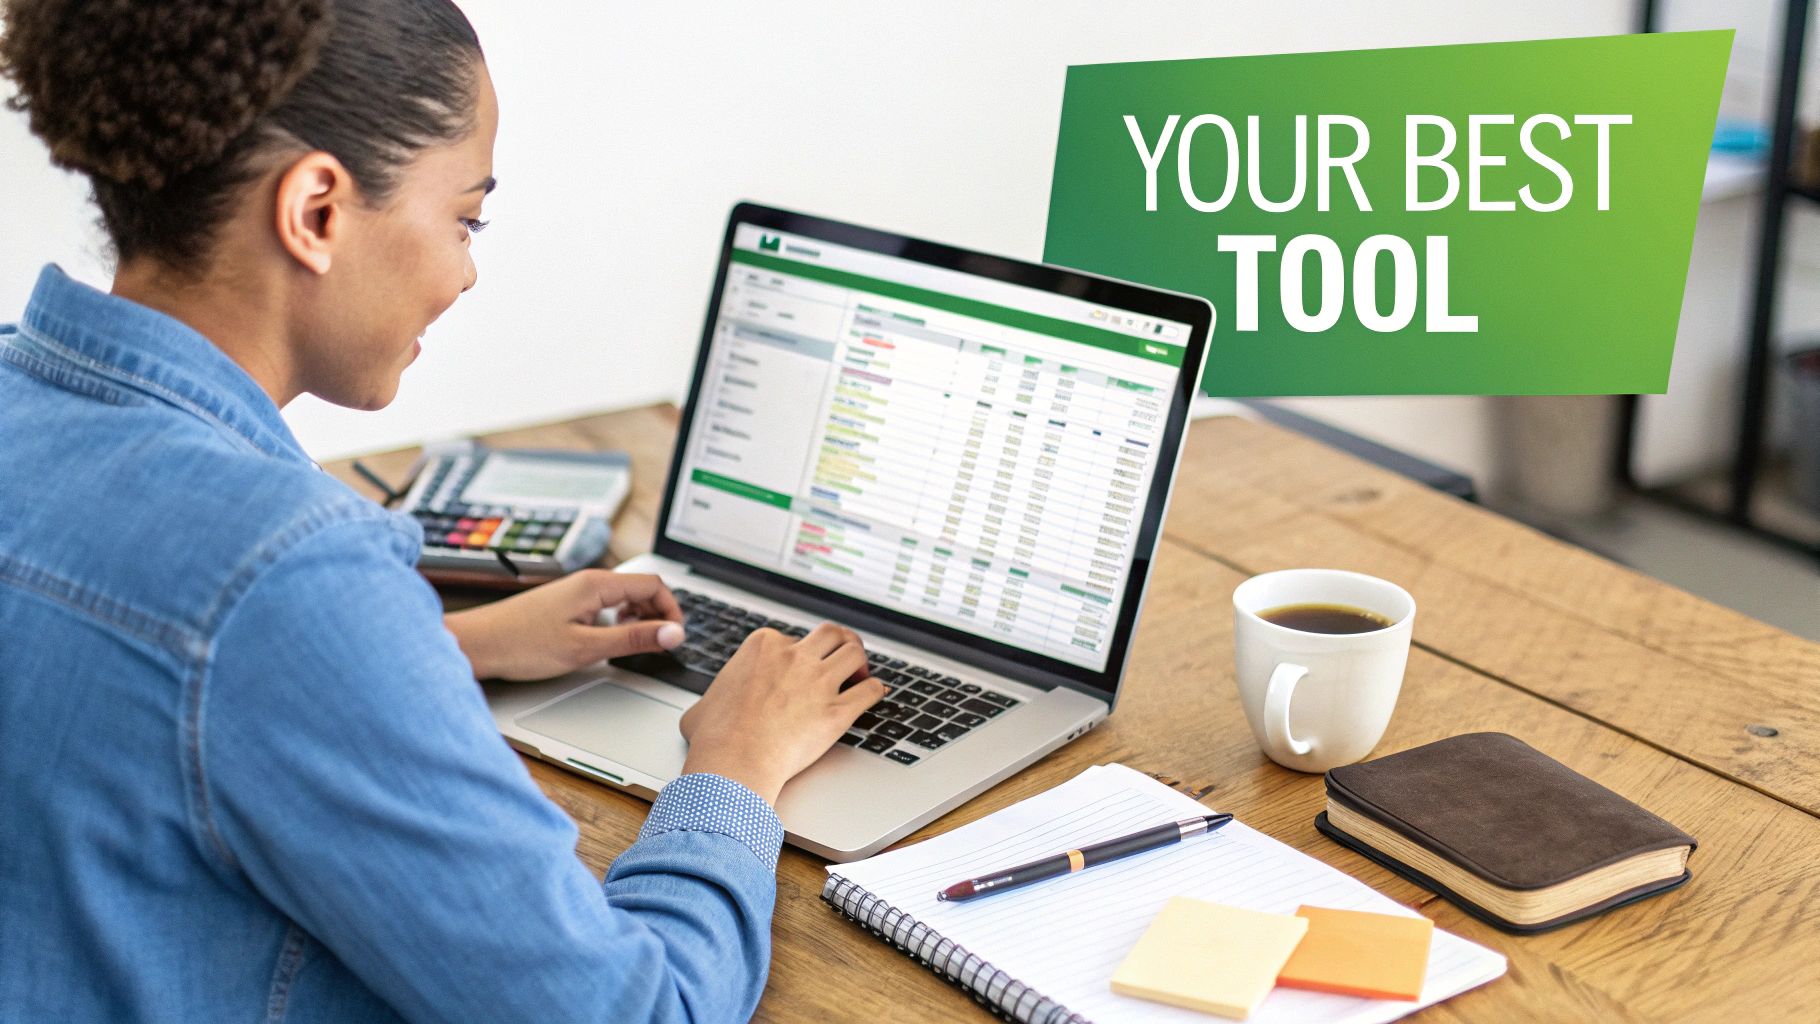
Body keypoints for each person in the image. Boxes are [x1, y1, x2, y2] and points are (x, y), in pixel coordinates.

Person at [0, 1, 884, 1021]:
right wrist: (736, 763)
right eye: (466, 217)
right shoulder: (285, 579)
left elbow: (136, 678)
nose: (466, 272)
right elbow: (641, 1010)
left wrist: (438, 645)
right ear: (317, 211)